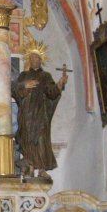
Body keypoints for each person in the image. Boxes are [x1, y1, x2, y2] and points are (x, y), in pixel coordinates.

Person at [11, 44, 68, 180]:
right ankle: (29, 168)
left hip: (40, 114)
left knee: (41, 140)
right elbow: (14, 90)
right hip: (26, 115)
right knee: (27, 140)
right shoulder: (24, 75)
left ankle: (42, 169)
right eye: (32, 57)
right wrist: (24, 85)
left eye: (36, 57)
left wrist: (60, 83)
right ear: (29, 60)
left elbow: (52, 92)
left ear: (41, 59)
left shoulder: (45, 76)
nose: (34, 59)